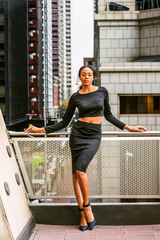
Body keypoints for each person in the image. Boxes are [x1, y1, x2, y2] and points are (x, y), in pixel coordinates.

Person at [25, 65, 147, 231]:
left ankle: (87, 207)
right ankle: (83, 213)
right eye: (84, 74)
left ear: (93, 77)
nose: (87, 77)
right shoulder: (76, 97)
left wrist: (129, 127)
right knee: (76, 174)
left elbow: (109, 115)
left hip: (93, 137)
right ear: (80, 77)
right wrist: (40, 130)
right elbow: (64, 122)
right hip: (77, 135)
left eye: (89, 74)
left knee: (81, 170)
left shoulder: (102, 92)